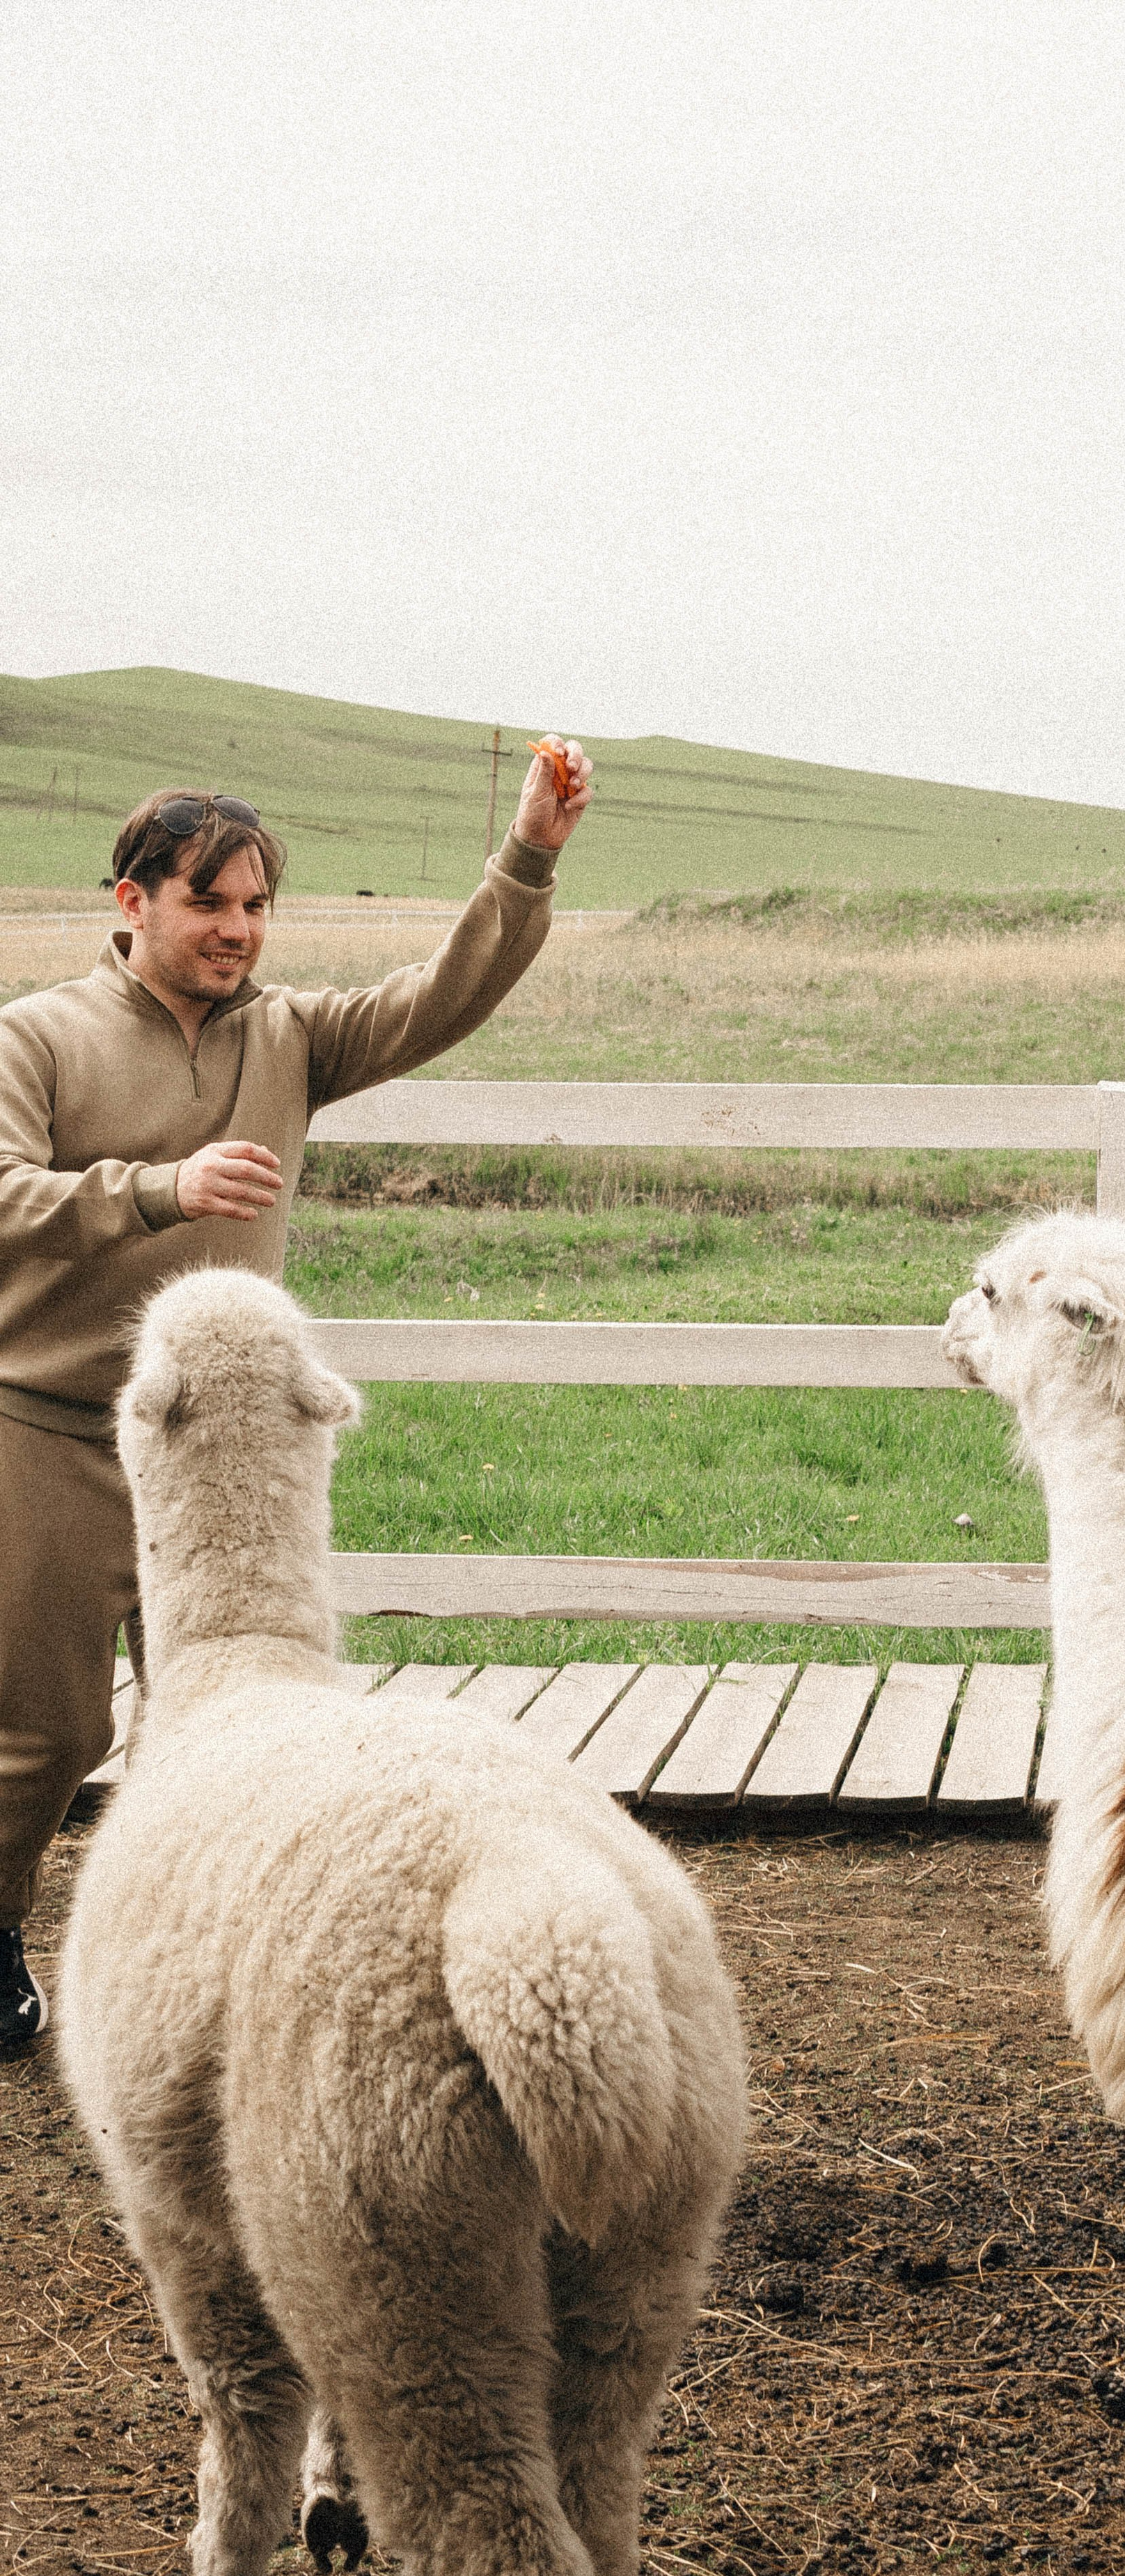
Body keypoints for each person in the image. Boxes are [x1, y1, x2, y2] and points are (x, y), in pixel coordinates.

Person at [0, 737, 593, 2045]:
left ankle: (212, 1960)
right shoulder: (36, 1038)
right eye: (209, 901)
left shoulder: (293, 1036)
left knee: (238, 1722)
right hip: (53, 1436)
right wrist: (160, 1187)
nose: (237, 929)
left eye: (256, 905)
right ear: (131, 901)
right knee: (39, 1736)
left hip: (230, 1453)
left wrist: (530, 857)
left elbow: (441, 998)